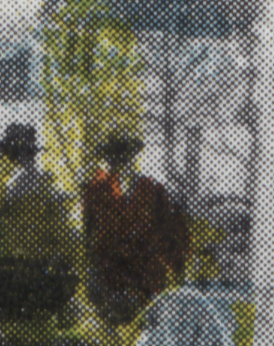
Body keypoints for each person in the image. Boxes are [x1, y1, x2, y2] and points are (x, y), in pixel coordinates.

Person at [79, 134, 191, 326]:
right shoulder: (96, 189)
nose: (120, 163)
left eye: (124, 156)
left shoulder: (152, 189)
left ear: (132, 157)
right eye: (115, 157)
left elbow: (172, 231)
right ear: (108, 160)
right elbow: (87, 237)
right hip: (110, 279)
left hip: (145, 281)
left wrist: (173, 267)